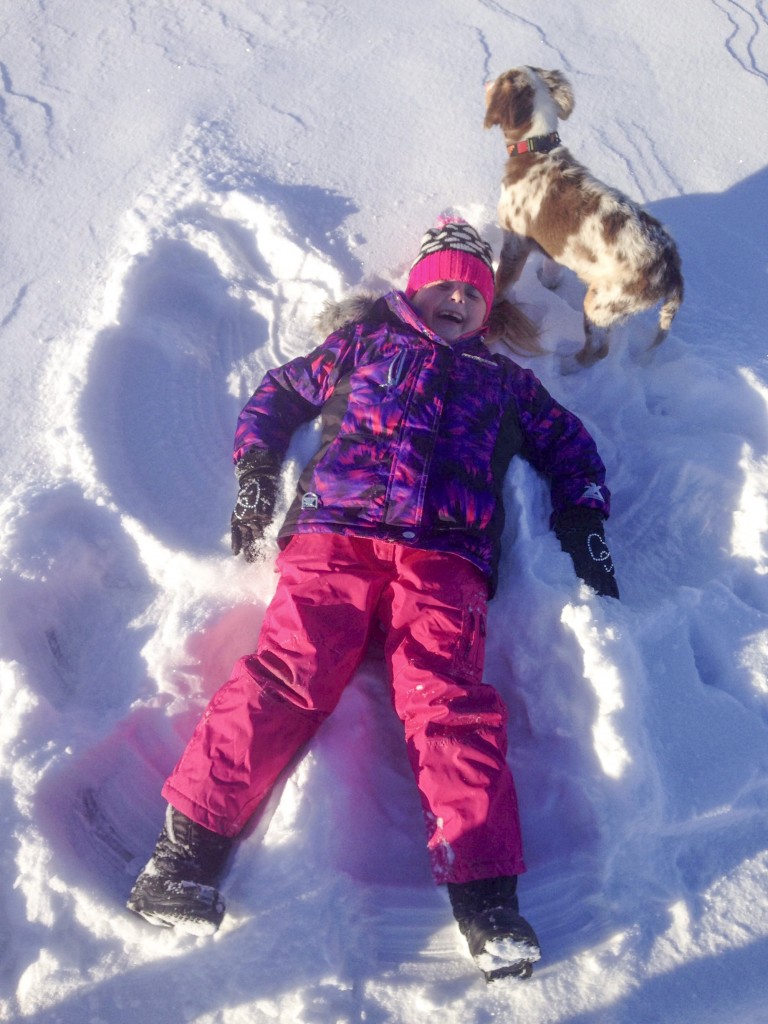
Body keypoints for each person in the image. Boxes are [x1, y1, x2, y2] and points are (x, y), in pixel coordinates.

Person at [126, 216, 619, 982]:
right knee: (289, 674)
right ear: (415, 291)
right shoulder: (361, 346)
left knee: (446, 699)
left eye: (473, 289)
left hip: (445, 561)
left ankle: (487, 902)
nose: (457, 295)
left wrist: (584, 518)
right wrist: (257, 473)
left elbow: (569, 446)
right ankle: (184, 853)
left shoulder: (506, 382)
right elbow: (278, 395)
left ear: (489, 310)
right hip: (335, 538)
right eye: (444, 283)